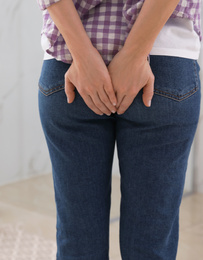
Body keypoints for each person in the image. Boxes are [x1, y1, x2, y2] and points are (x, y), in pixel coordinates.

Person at [37, 0, 201, 259]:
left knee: (78, 244)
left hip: (71, 64)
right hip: (164, 58)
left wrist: (83, 55)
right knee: (151, 247)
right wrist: (135, 55)